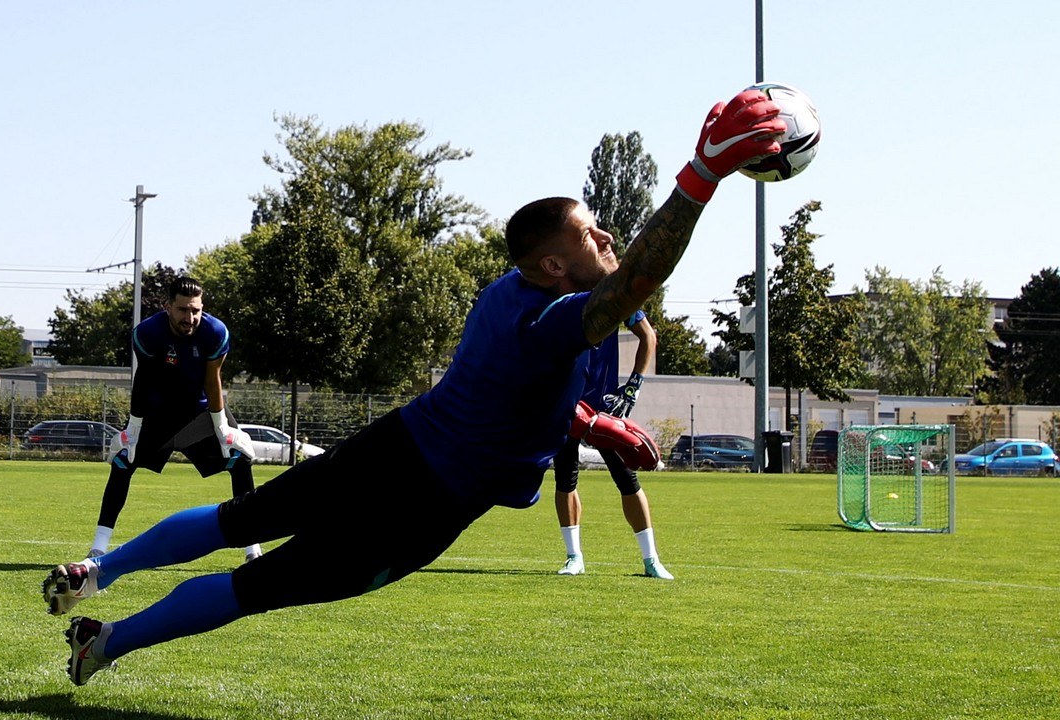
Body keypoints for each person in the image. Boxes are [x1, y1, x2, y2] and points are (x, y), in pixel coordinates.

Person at [40, 87, 785, 685]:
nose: (609, 239)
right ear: (553, 265)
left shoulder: (506, 295)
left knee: (239, 523)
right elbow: (636, 283)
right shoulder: (552, 317)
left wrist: (583, 422)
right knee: (255, 588)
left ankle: (98, 570)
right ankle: (104, 644)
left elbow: (507, 395)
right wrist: (702, 175)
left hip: (396, 444)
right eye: (591, 234)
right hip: (427, 500)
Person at [85, 276, 262, 564]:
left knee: (239, 459)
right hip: (159, 411)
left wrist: (221, 427)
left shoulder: (215, 332)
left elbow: (213, 380)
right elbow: (143, 380)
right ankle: (98, 548)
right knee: (123, 461)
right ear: (168, 307)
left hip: (200, 411)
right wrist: (133, 429)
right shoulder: (148, 332)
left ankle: (252, 549)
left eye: (195, 310)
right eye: (182, 310)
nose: (189, 318)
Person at [554, 310, 674, 580]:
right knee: (565, 478)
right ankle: (574, 556)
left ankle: (651, 559)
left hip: (604, 406)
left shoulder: (613, 297)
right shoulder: (562, 296)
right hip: (569, 403)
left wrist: (633, 386)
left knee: (627, 479)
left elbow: (648, 336)